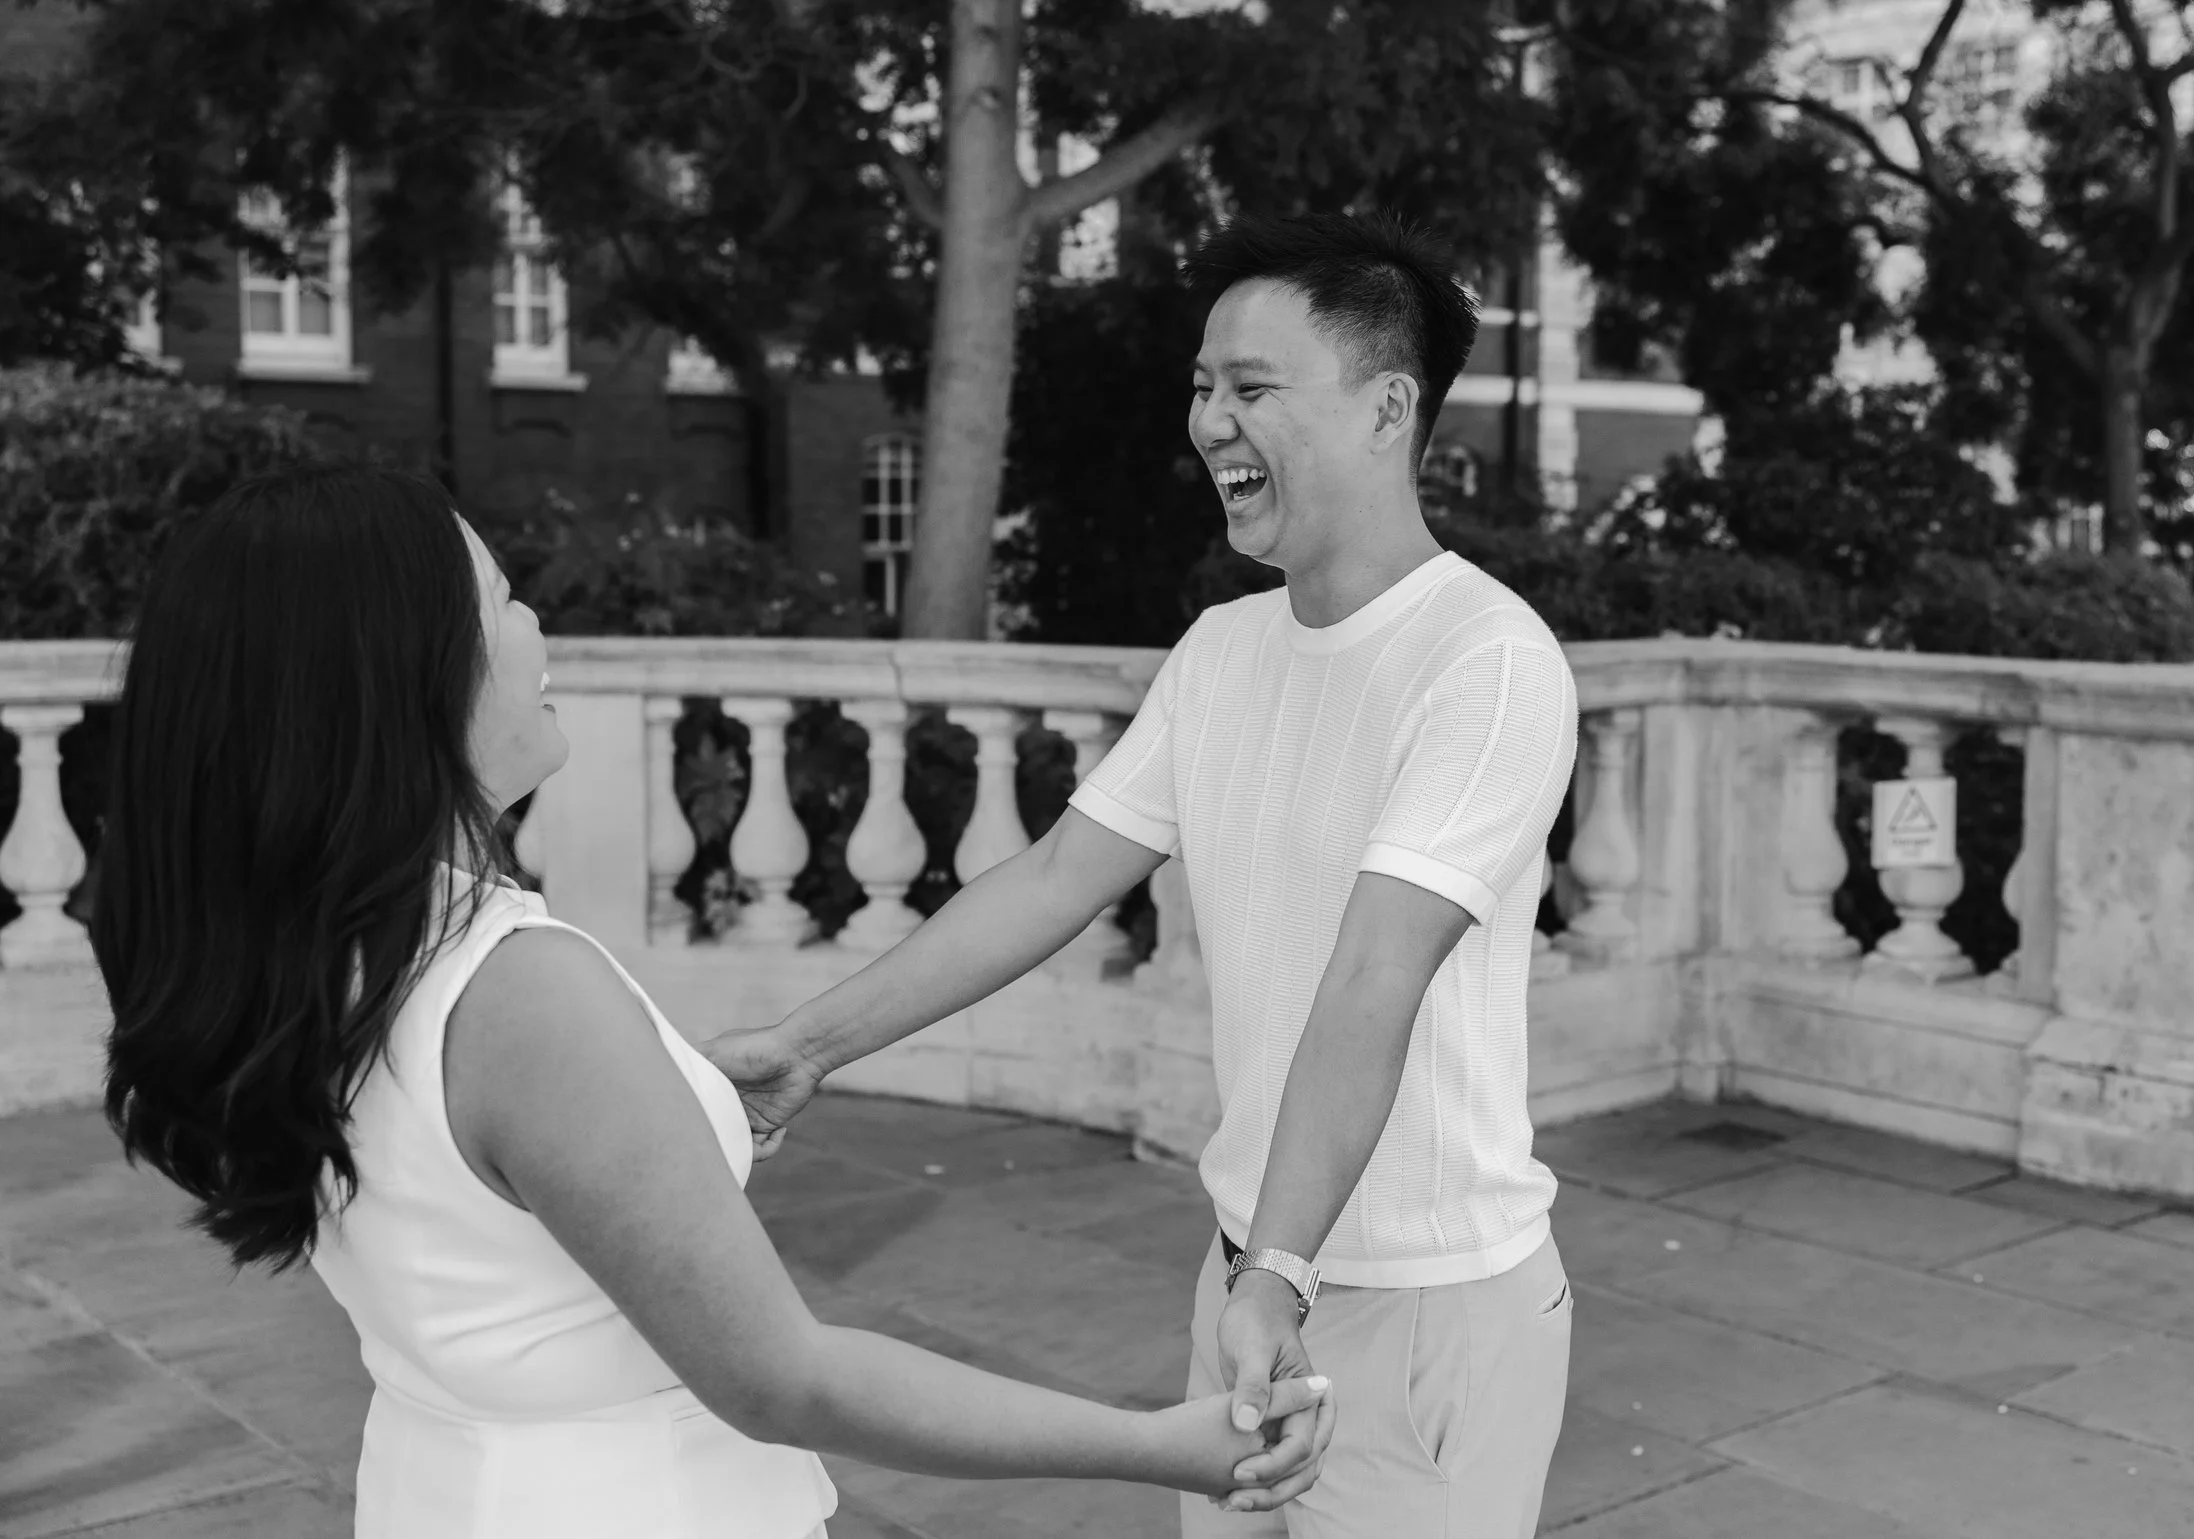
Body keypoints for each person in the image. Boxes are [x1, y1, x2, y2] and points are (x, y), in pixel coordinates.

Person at [91, 464, 1333, 1539]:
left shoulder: (319, 951)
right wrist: (1157, 1443)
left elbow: (490, 1207)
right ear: (401, 678)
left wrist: (681, 1098)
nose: (534, 625)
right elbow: (783, 1376)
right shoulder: (518, 991)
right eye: (499, 598)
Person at [709, 212, 1580, 1538]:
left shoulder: (1486, 661)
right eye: (1202, 385)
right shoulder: (1223, 649)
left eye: (1253, 387)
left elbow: (1373, 973)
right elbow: (1056, 875)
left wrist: (1279, 1271)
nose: (1210, 421)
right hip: (1246, 1277)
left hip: (1422, 1305)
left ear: (1388, 407)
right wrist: (806, 1047)